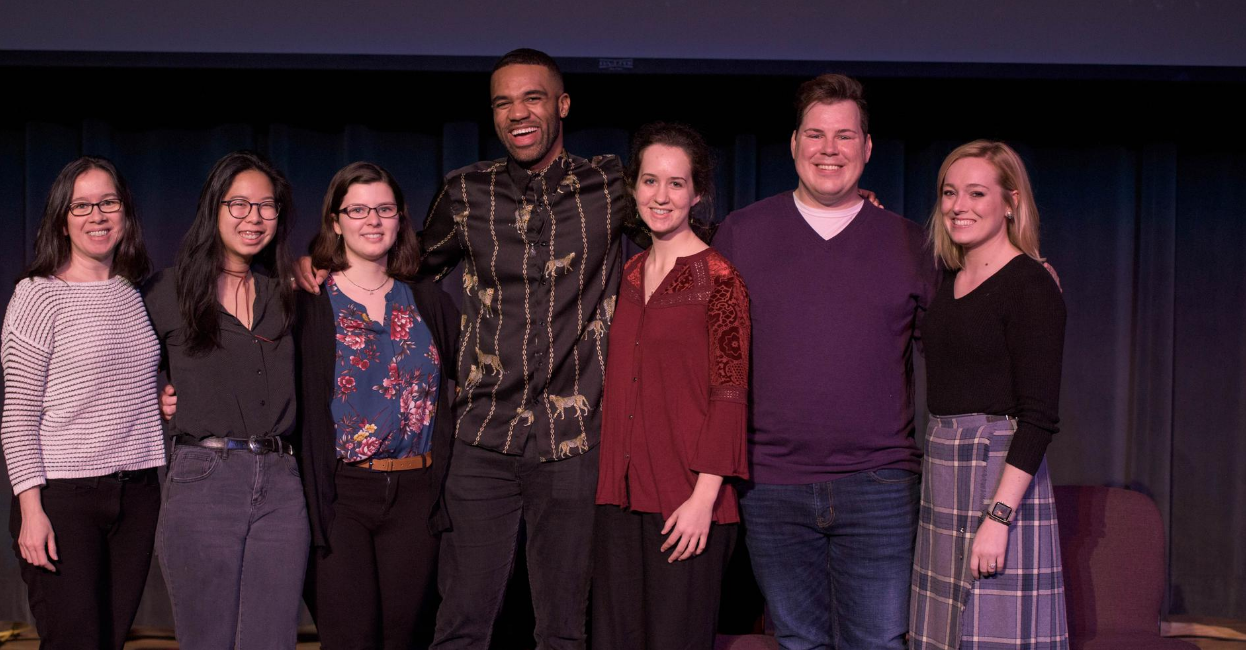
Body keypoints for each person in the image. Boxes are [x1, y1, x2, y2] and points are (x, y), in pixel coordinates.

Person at [296, 47, 633, 649]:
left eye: (532, 98)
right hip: (482, 440)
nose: (517, 113)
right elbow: (406, 264)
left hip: (574, 441)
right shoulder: (465, 193)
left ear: (562, 104)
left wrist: (850, 203)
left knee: (563, 627)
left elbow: (688, 231)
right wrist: (320, 262)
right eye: (503, 102)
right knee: (461, 625)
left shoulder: (611, 186)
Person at [711, 73, 938, 649]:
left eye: (844, 136)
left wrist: (1028, 271)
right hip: (772, 484)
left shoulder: (912, 243)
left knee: (880, 641)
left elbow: (964, 339)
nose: (829, 150)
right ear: (793, 144)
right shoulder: (742, 234)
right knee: (797, 640)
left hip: (880, 484)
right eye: (816, 134)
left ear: (867, 147)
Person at [592, 122, 750, 650]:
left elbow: (730, 394)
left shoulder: (720, 279)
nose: (661, 196)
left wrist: (705, 497)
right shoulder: (631, 272)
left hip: (686, 504)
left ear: (697, 192)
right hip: (621, 495)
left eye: (676, 184)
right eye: (650, 181)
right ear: (634, 188)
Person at [144, 150, 308, 649]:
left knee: (271, 640)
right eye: (239, 204)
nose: (253, 218)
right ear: (213, 208)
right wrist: (156, 394)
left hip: (281, 485)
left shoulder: (290, 294)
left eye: (267, 206)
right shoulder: (165, 290)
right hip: (203, 478)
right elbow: (120, 369)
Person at [0, 156, 164, 649]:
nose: (97, 215)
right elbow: (18, 415)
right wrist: (32, 509)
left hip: (137, 493)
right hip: (63, 497)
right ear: (61, 220)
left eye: (108, 202)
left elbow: (123, 380)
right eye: (82, 206)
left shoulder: (136, 293)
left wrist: (161, 395)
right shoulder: (37, 296)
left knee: (111, 640)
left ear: (125, 211)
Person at [910, 140, 1068, 649]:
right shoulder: (949, 279)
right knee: (942, 636)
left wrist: (999, 517)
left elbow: (1039, 416)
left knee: (994, 635)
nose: (960, 206)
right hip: (944, 468)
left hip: (999, 476)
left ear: (1011, 201)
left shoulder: (1031, 284)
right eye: (950, 193)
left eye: (977, 193)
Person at [296, 162, 460, 649]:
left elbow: (476, 379)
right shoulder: (309, 302)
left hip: (415, 491)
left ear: (400, 219)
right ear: (335, 221)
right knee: (351, 636)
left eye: (384, 209)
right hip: (342, 494)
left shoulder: (427, 301)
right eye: (358, 209)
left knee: (404, 638)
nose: (372, 220)